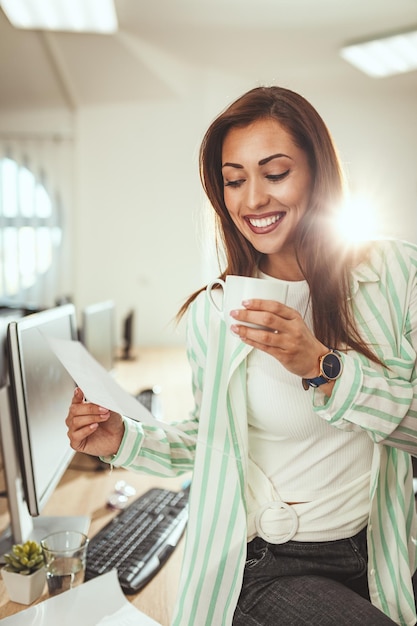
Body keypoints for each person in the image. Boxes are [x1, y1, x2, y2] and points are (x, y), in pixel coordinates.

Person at [66, 86, 417, 626]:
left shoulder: (397, 275)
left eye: (275, 173)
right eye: (234, 180)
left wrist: (324, 368)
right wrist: (126, 440)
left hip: (385, 548)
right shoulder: (218, 311)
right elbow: (211, 444)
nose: (252, 200)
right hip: (274, 566)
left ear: (318, 174)